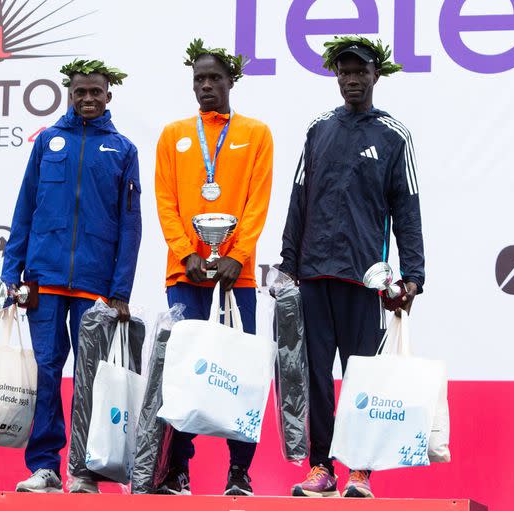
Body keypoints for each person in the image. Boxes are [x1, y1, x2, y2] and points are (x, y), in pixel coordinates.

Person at [279, 36, 424, 499]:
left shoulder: (393, 135)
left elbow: (408, 210)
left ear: (375, 75)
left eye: (360, 71)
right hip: (314, 273)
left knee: (363, 379)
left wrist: (413, 275)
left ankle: (360, 470)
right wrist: (286, 264)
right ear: (335, 76)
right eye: (344, 71)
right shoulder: (318, 129)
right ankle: (321, 468)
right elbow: (298, 198)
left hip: (366, 279)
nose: (352, 79)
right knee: (316, 377)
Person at [0, 59, 142, 494]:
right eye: (79, 91)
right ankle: (45, 466)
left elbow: (130, 225)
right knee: (45, 372)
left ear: (108, 96)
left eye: (95, 92)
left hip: (95, 287)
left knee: (90, 377)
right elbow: (25, 207)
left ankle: (85, 469)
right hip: (42, 280)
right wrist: (12, 271)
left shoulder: (122, 149)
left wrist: (120, 290)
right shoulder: (47, 142)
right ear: (69, 93)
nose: (87, 99)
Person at [154, 38, 273, 496]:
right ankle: (178, 471)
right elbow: (166, 201)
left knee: (236, 370)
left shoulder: (256, 133)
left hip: (235, 275)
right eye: (199, 79)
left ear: (231, 81)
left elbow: (256, 201)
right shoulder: (173, 134)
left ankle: (239, 473)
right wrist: (187, 252)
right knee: (183, 371)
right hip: (185, 274)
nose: (206, 86)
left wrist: (236, 256)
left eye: (215, 78)